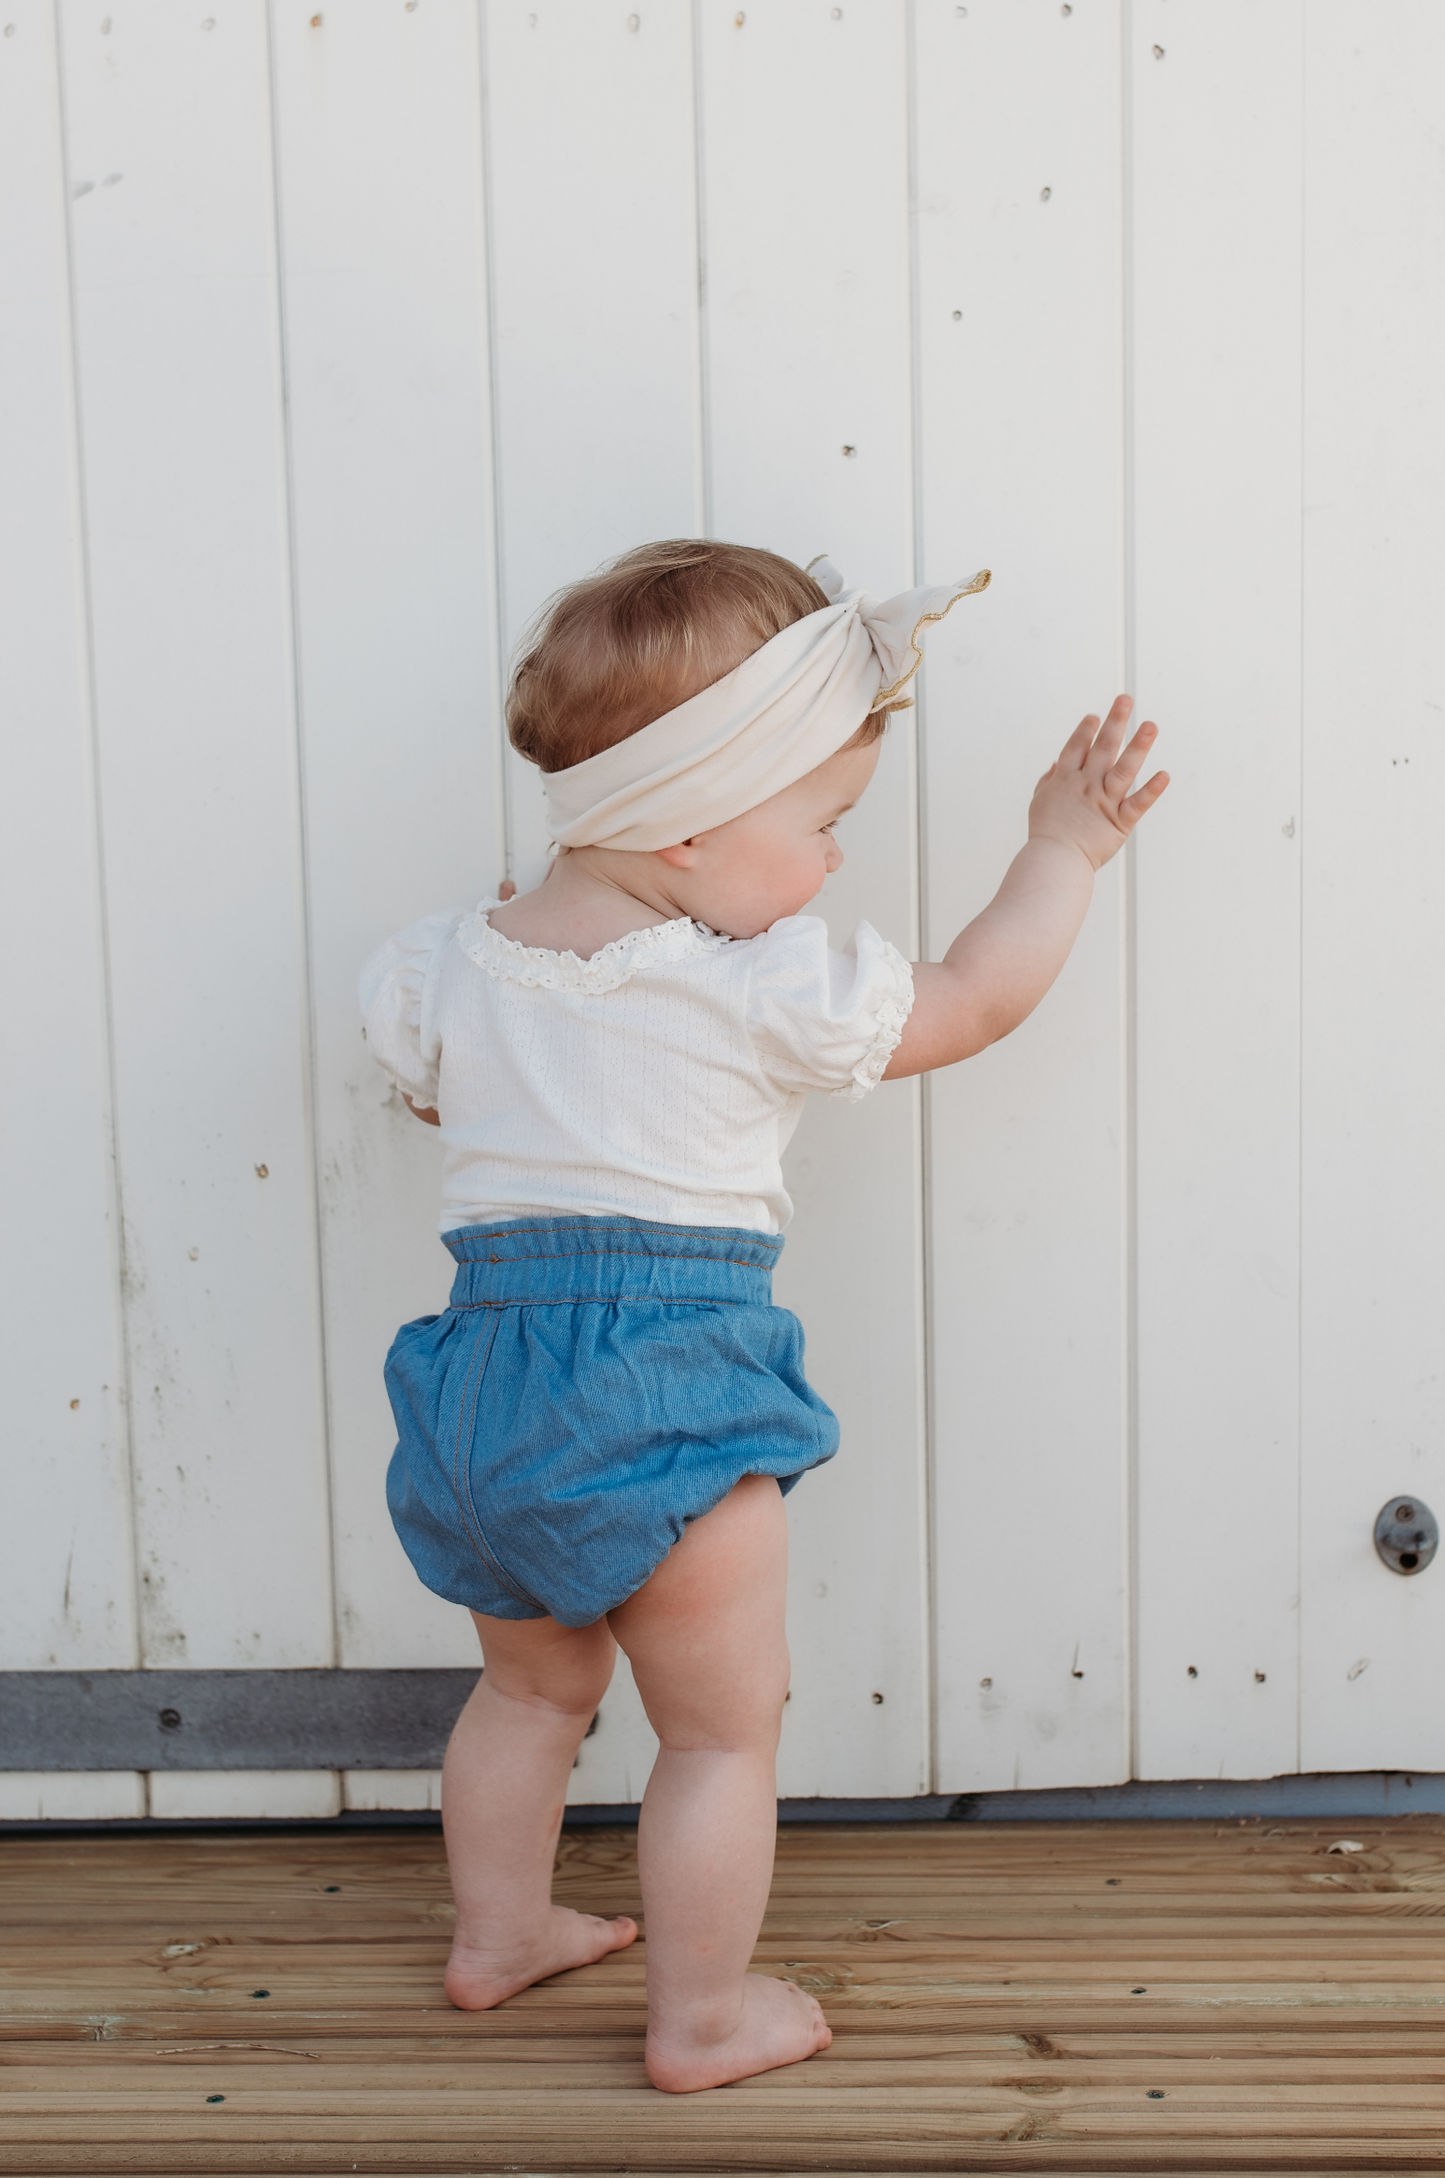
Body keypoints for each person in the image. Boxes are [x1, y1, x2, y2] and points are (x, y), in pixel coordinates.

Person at [360, 539, 1167, 2093]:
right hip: (666, 1387)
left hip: (477, 1392)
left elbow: (435, 1095)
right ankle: (701, 2017)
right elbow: (977, 998)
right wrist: (1061, 848)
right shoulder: (758, 984)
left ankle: (497, 1934)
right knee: (720, 1738)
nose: (836, 862)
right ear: (685, 830)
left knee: (529, 1684)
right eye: (824, 824)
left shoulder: (442, 962)